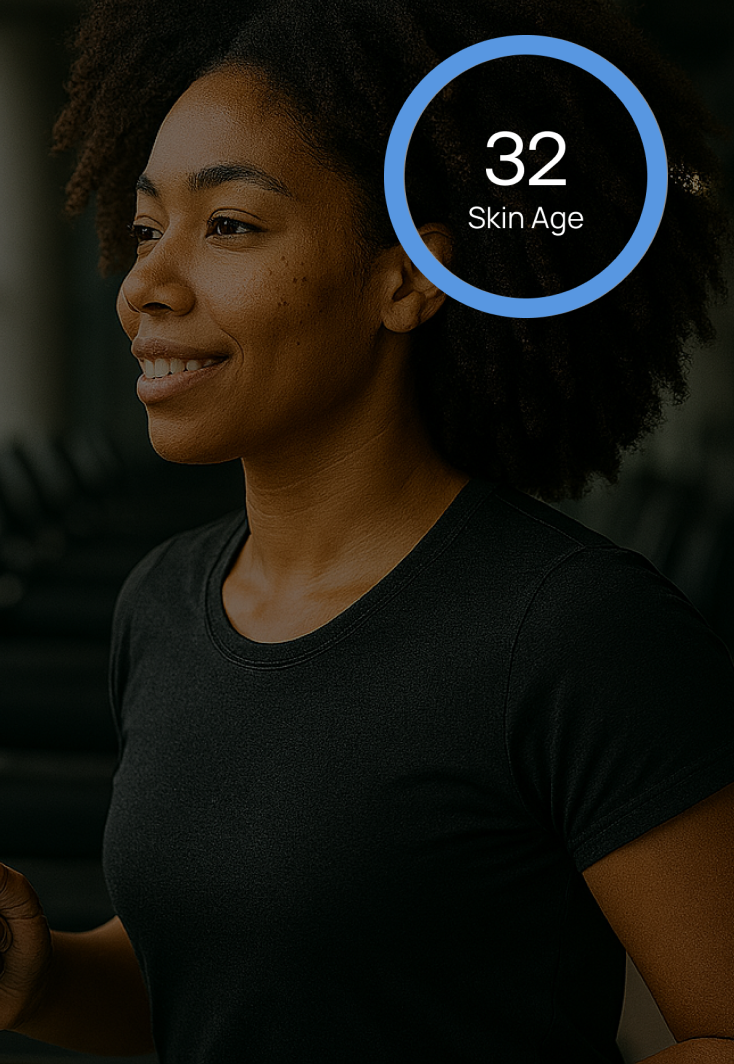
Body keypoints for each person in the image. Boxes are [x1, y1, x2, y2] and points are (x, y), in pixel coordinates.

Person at [1, 0, 733, 1060]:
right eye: (149, 226)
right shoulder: (160, 602)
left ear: (405, 277)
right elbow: (239, 987)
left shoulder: (573, 632)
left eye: (231, 226)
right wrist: (48, 975)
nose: (144, 286)